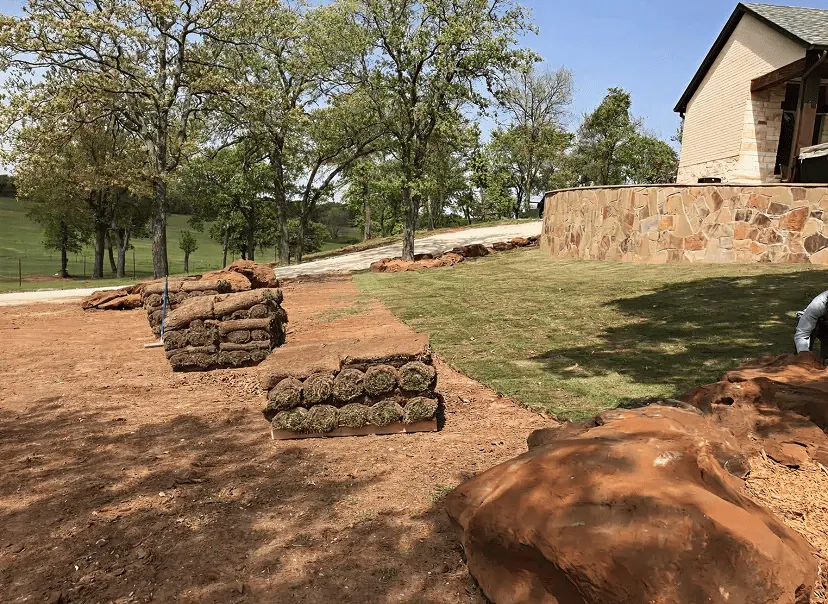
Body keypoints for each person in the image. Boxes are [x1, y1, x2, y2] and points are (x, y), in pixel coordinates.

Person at [794, 290, 828, 362]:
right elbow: (802, 333)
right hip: (811, 321)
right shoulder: (818, 305)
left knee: (826, 358)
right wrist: (803, 352)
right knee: (803, 358)